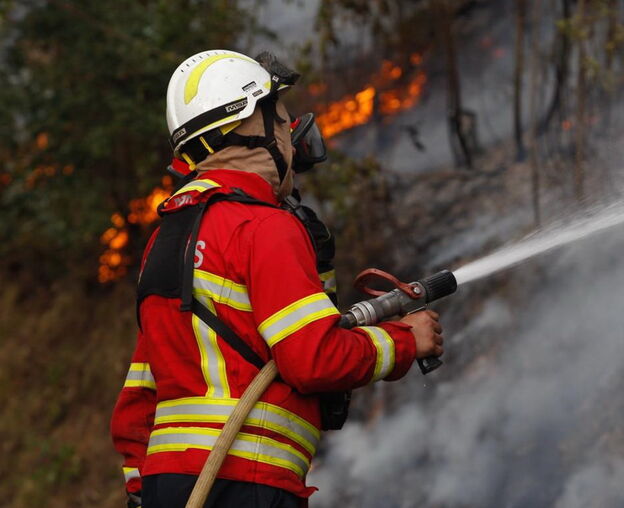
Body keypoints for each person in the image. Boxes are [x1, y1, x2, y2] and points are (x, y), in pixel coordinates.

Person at [110, 50, 444, 508]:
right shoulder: (264, 226)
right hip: (247, 483)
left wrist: (139, 486)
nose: (291, 135)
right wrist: (405, 341)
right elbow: (314, 360)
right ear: (249, 124)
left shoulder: (168, 238)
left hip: (166, 486)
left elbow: (140, 392)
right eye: (282, 120)